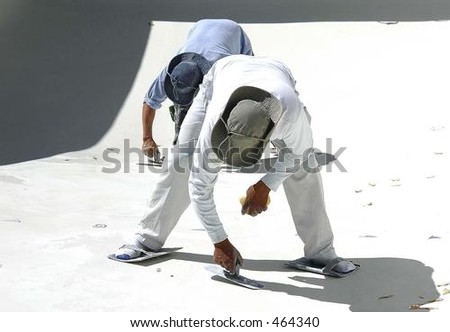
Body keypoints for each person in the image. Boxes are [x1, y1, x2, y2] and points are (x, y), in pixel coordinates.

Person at [113, 54, 356, 276]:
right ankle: (147, 239)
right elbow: (199, 187)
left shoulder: (291, 116)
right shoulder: (212, 125)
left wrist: (265, 186)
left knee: (306, 167)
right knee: (181, 159)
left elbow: (298, 154)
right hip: (221, 75)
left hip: (277, 74)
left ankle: (321, 253)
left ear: (268, 137)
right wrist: (220, 241)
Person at [141, 19, 253, 157]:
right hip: (199, 27)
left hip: (233, 31)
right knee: (185, 108)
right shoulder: (172, 71)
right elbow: (149, 101)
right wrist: (147, 139)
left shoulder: (223, 68)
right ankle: (181, 141)